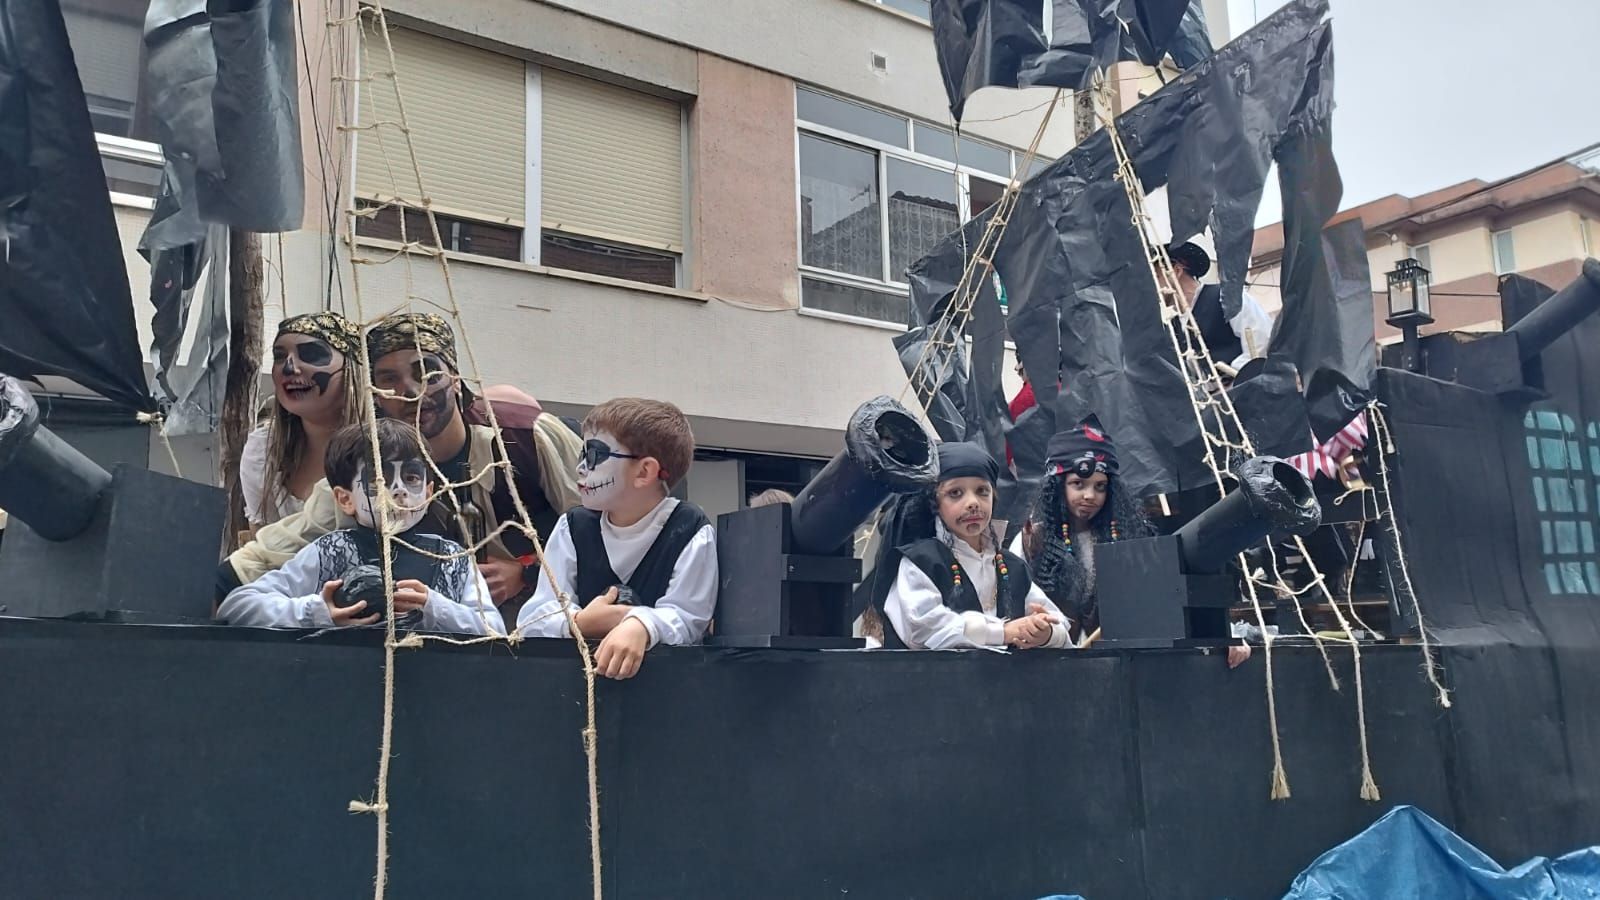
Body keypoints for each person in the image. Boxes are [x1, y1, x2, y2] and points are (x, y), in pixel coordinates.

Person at [218, 312, 583, 628]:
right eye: (389, 379)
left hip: (551, 630)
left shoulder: (525, 438)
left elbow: (604, 526)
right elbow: (283, 545)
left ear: (455, 379)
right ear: (374, 393)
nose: (410, 391)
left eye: (425, 371)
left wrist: (528, 573)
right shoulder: (366, 463)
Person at [217, 419, 501, 636]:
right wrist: (317, 611)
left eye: (412, 477)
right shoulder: (329, 552)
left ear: (429, 492)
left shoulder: (453, 559)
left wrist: (434, 607)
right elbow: (238, 605)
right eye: (379, 480)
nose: (399, 490)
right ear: (344, 499)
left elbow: (495, 631)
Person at [516, 398, 717, 680]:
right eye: (581, 454)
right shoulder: (573, 528)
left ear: (644, 471)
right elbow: (534, 618)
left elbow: (689, 618)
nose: (582, 468)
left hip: (663, 691)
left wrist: (641, 625)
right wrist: (578, 622)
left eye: (596, 455)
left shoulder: (689, 529)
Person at [872, 442, 1072, 651]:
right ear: (935, 503)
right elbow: (924, 628)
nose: (972, 502)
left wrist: (1045, 633)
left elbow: (1059, 624)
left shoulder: (1011, 566)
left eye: (982, 491)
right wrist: (1004, 632)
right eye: (956, 493)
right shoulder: (921, 561)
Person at [1013, 419, 1153, 645]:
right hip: (1050, 659)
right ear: (1058, 486)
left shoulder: (1127, 538)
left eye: (1100, 486)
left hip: (1114, 659)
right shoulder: (1031, 539)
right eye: (1078, 484)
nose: (1090, 495)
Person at [241, 313, 367, 527]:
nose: (289, 368)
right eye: (280, 356)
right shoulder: (264, 449)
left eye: (312, 354)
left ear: (352, 370)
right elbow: (263, 546)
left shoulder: (387, 449)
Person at [1163, 241, 1275, 374]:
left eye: (1157, 276)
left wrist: (1234, 376)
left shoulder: (1225, 296)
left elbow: (1260, 339)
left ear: (1176, 271)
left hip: (1246, 388)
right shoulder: (1173, 325)